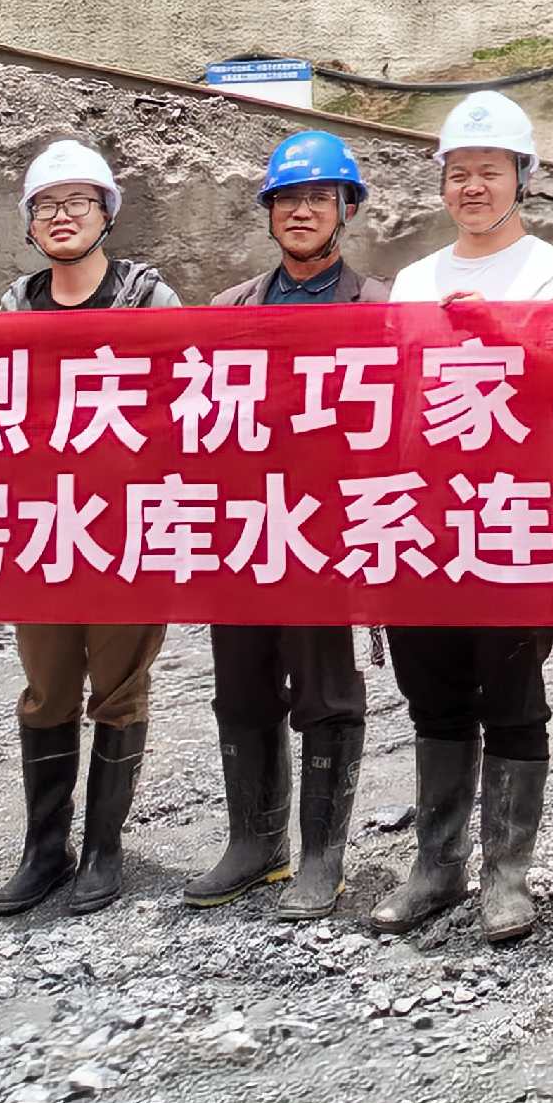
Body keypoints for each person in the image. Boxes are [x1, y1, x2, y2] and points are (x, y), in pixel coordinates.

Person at [376, 89, 553, 946]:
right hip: (421, 514)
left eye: (489, 172)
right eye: (459, 173)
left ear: (521, 181)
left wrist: (503, 337)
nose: (472, 188)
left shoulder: (552, 275)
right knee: (431, 692)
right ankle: (436, 867)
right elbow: (387, 398)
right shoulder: (413, 280)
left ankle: (507, 874)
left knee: (511, 689)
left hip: (513, 512)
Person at [182, 131, 382, 920]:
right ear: (269, 211)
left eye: (318, 199)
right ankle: (253, 842)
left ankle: (321, 855)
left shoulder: (378, 305)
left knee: (325, 690)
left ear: (346, 210)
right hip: (242, 527)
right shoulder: (232, 308)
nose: (301, 211)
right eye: (288, 199)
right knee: (241, 684)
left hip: (328, 530)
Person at [0, 140, 182, 918]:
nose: (61, 216)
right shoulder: (14, 305)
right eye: (45, 205)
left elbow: (179, 401)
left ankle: (103, 849)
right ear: (30, 225)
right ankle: (44, 852)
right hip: (43, 530)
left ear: (108, 213)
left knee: (120, 689)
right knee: (46, 690)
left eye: (78, 202)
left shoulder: (147, 298)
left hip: (128, 529)